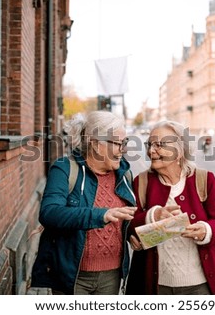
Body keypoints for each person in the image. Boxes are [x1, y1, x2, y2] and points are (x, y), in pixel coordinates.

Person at [31, 111, 137, 294]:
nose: (123, 149)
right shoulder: (65, 168)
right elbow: (49, 213)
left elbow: (124, 221)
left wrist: (144, 225)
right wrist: (100, 214)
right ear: (96, 144)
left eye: (125, 143)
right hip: (73, 275)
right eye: (119, 143)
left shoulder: (124, 175)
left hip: (111, 276)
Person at [126, 121, 215, 295]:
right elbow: (128, 224)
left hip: (198, 284)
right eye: (150, 144)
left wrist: (206, 230)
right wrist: (152, 216)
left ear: (180, 150)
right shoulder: (142, 182)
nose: (151, 150)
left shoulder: (204, 179)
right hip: (155, 285)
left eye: (159, 145)